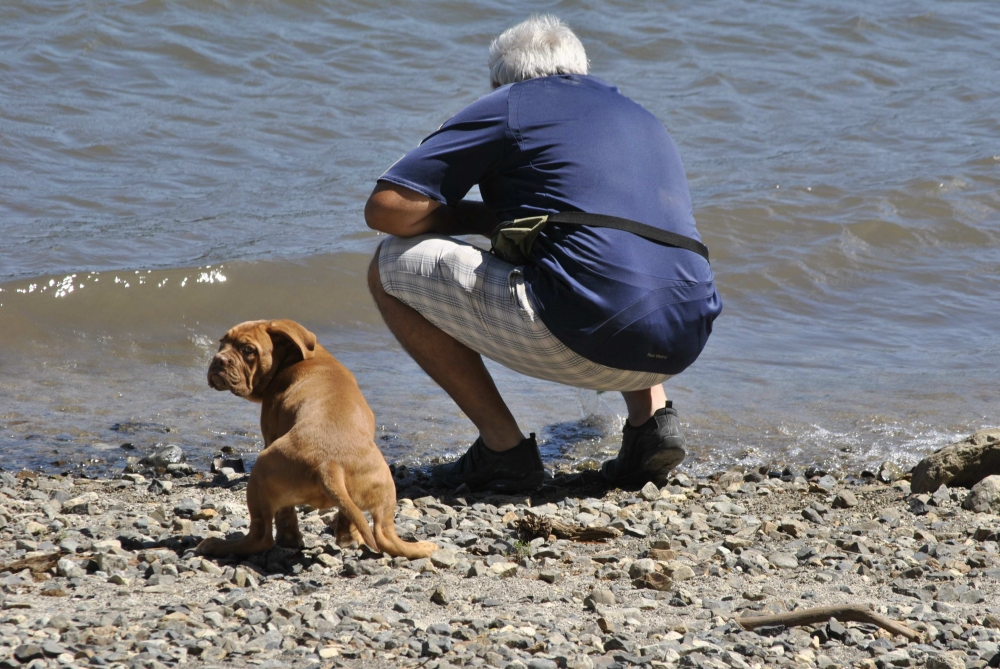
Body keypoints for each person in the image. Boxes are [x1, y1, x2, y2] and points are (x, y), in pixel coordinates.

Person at [365, 15, 721, 492]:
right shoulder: (641, 116)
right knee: (611, 249)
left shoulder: (510, 104)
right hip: (687, 336)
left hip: (586, 333)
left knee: (388, 265)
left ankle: (502, 450)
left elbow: (388, 209)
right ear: (581, 70)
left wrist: (478, 221)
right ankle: (651, 424)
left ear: (498, 82)